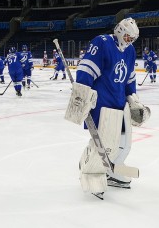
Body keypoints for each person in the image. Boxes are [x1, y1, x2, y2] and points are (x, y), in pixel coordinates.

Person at [65, 17, 151, 200]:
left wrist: (133, 99)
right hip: (102, 104)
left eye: (133, 39)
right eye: (128, 37)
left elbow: (129, 79)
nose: (130, 42)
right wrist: (82, 93)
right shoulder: (102, 42)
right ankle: (89, 169)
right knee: (105, 144)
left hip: (120, 104)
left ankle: (112, 170)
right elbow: (87, 69)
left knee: (124, 144)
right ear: (120, 31)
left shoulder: (129, 52)